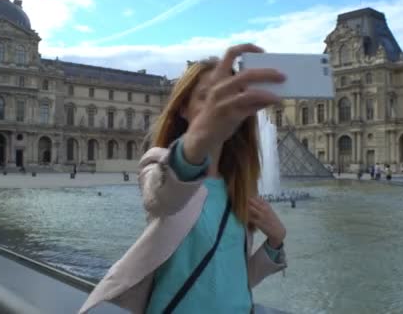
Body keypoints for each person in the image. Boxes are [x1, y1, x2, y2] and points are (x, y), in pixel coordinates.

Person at [80, 44, 287, 314]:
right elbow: (161, 198)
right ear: (183, 109)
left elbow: (233, 278)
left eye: (228, 98)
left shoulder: (239, 187)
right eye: (207, 98)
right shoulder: (160, 165)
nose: (219, 108)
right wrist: (198, 141)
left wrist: (275, 242)